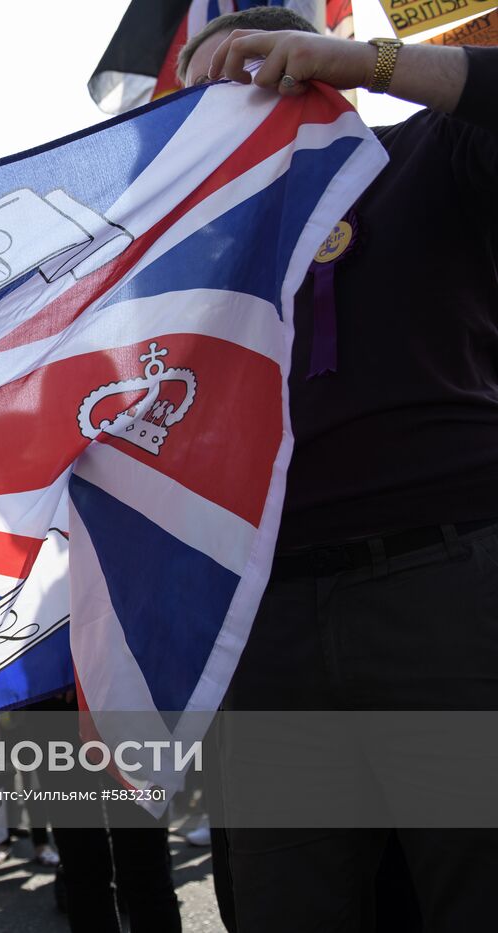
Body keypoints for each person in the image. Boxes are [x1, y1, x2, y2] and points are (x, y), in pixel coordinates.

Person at [175, 9, 498, 931]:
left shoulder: (428, 153)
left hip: (448, 590)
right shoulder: (192, 254)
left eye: (246, 76)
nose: (216, 114)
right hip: (269, 625)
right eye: (194, 104)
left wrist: (371, 61)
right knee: (287, 903)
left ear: (311, 68)